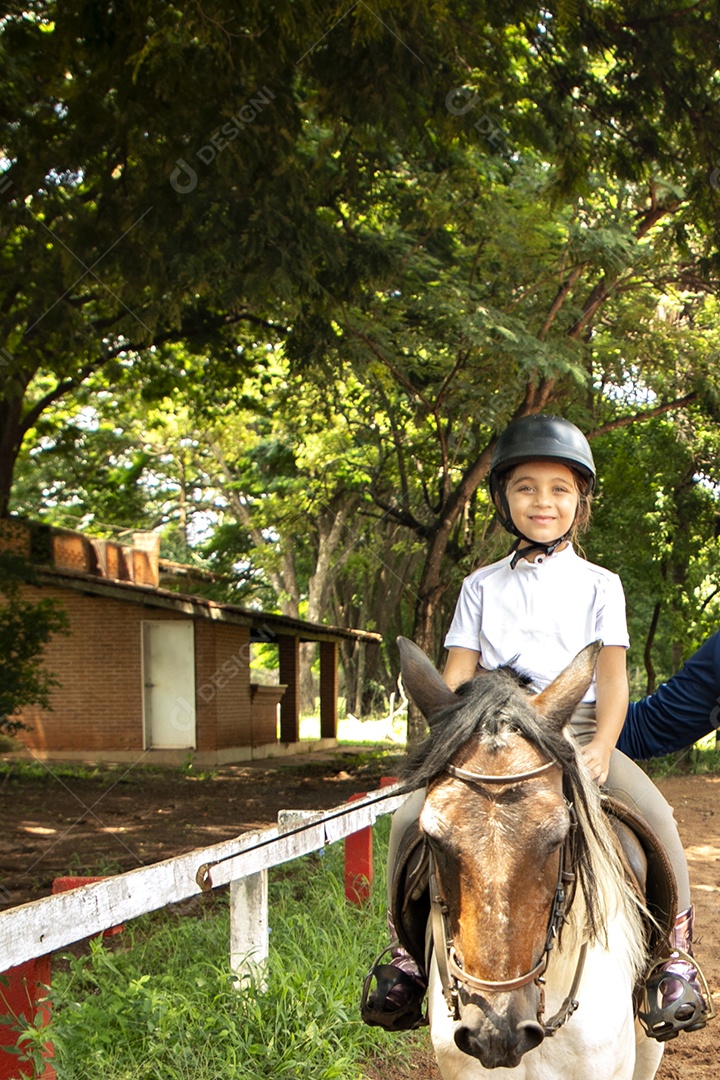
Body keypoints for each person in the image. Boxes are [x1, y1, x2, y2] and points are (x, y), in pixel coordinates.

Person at [361, 413, 714, 1040]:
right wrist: (455, 744)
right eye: (526, 487)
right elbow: (454, 681)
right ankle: (406, 959)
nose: (542, 501)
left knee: (656, 814)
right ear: (504, 499)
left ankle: (674, 959)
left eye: (559, 488)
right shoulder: (480, 586)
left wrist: (604, 746)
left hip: (574, 731)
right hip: (492, 735)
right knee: (408, 818)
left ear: (579, 501)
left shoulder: (602, 586)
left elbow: (610, 682)